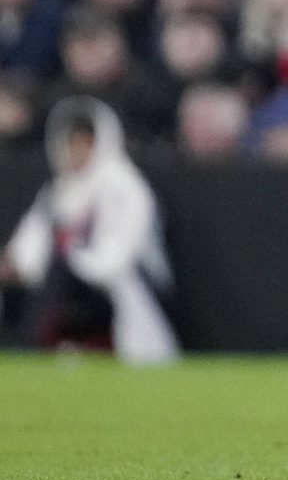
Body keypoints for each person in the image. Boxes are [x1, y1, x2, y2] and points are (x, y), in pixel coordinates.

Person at [0, 97, 178, 364]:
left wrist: (74, 260)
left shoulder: (124, 185)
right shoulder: (58, 191)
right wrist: (13, 264)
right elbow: (30, 246)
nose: (77, 152)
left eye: (85, 144)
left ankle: (32, 343)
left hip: (127, 286)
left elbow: (121, 254)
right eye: (71, 144)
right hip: (69, 286)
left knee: (62, 268)